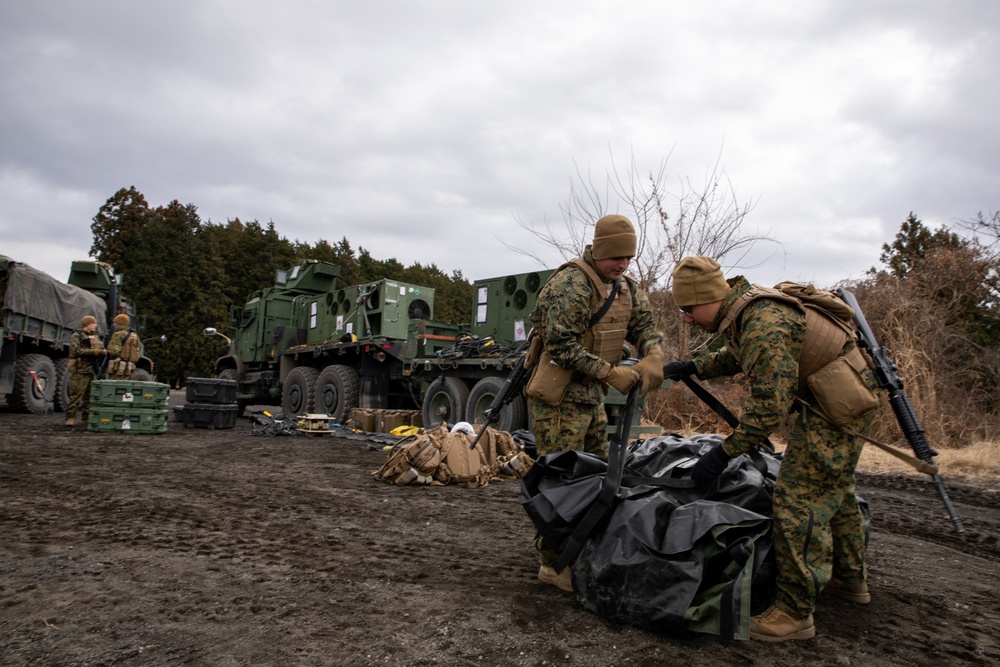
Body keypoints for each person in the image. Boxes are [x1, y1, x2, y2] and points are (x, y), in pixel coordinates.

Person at [663, 256, 879, 642]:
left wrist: (722, 454)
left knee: (798, 498)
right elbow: (739, 356)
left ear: (710, 296)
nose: (687, 318)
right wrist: (693, 366)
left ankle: (794, 614)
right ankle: (849, 579)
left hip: (838, 406)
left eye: (689, 309)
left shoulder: (762, 321)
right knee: (837, 488)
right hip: (844, 396)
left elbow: (768, 410)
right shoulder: (745, 311)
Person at [525, 214, 664, 592]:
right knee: (560, 483)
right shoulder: (570, 284)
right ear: (599, 249)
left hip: (591, 399)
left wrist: (653, 353)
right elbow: (560, 345)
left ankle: (578, 552)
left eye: (628, 258)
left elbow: (645, 327)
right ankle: (552, 563)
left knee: (596, 479)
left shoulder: (626, 288)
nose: (622, 264)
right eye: (615, 256)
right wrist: (608, 372)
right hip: (559, 400)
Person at [65, 315, 107, 427]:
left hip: (92, 371)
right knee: (76, 395)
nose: (95, 325)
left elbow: (101, 349)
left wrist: (102, 352)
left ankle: (86, 419)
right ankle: (70, 418)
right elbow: (75, 351)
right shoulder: (77, 336)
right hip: (81, 371)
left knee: (90, 397)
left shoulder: (95, 337)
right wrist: (93, 352)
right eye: (93, 323)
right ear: (87, 324)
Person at [106, 313, 141, 380]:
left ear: (119, 324)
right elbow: (138, 350)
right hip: (129, 368)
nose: (114, 325)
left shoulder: (117, 335)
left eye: (115, 323)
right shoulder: (134, 335)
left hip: (118, 368)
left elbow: (113, 351)